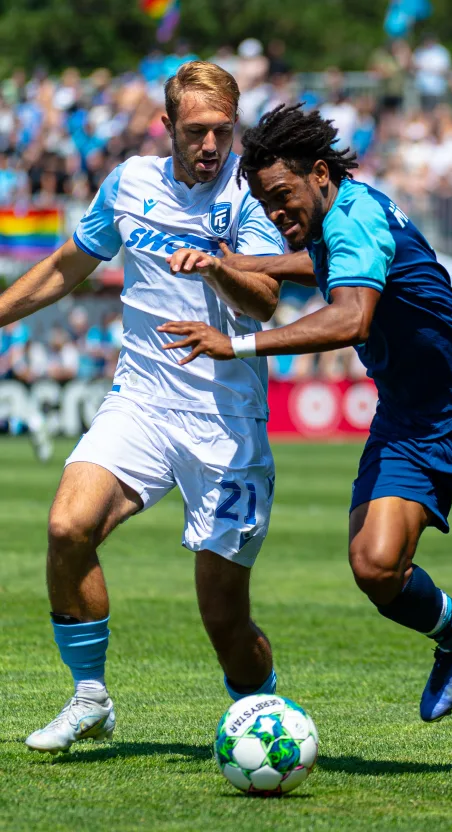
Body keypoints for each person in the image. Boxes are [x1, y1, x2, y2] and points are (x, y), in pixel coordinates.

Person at [158, 104, 452, 724]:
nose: (274, 214)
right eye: (265, 204)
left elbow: (352, 318)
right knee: (375, 567)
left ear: (319, 173)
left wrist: (237, 343)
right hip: (407, 423)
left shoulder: (356, 217)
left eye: (281, 197)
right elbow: (319, 264)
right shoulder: (335, 218)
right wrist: (238, 262)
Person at [0, 60, 284, 755]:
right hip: (142, 401)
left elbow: (267, 302)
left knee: (224, 620)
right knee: (68, 526)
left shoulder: (249, 195)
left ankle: (263, 713)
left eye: (223, 130)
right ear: (167, 126)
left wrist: (217, 265)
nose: (211, 145)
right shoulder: (130, 183)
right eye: (196, 131)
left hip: (227, 422)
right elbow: (69, 264)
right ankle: (89, 697)